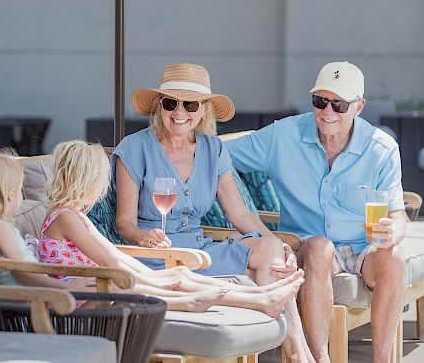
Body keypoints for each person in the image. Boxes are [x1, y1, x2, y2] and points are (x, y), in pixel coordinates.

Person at [114, 63, 314, 362]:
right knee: (263, 273)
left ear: (204, 110)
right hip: (156, 255)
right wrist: (145, 238)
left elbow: (240, 215)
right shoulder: (134, 148)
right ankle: (299, 354)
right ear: (159, 105)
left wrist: (280, 244)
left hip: (201, 250)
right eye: (171, 102)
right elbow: (124, 223)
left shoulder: (213, 149)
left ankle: (294, 352)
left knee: (272, 255)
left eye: (190, 104)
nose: (179, 112)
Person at [225, 61, 407, 363]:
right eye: (320, 101)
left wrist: (393, 231)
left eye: (339, 104)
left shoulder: (382, 148)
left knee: (394, 256)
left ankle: (381, 360)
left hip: (364, 247)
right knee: (320, 247)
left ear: (359, 106)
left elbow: (398, 214)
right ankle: (321, 358)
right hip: (308, 246)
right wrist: (178, 139)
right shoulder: (283, 136)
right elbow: (220, 152)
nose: (328, 112)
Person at [38, 139, 305, 316]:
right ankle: (259, 299)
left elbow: (114, 255)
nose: (102, 190)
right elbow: (111, 260)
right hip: (88, 294)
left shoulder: (73, 217)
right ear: (86, 182)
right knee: (176, 280)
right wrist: (156, 278)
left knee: (179, 277)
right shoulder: (66, 218)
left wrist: (161, 276)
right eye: (100, 181)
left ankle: (263, 295)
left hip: (103, 283)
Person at [0, 148, 97, 295]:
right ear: (11, 195)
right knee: (103, 289)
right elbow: (26, 275)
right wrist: (68, 286)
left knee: (101, 288)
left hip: (33, 299)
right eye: (19, 190)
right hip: (28, 307)